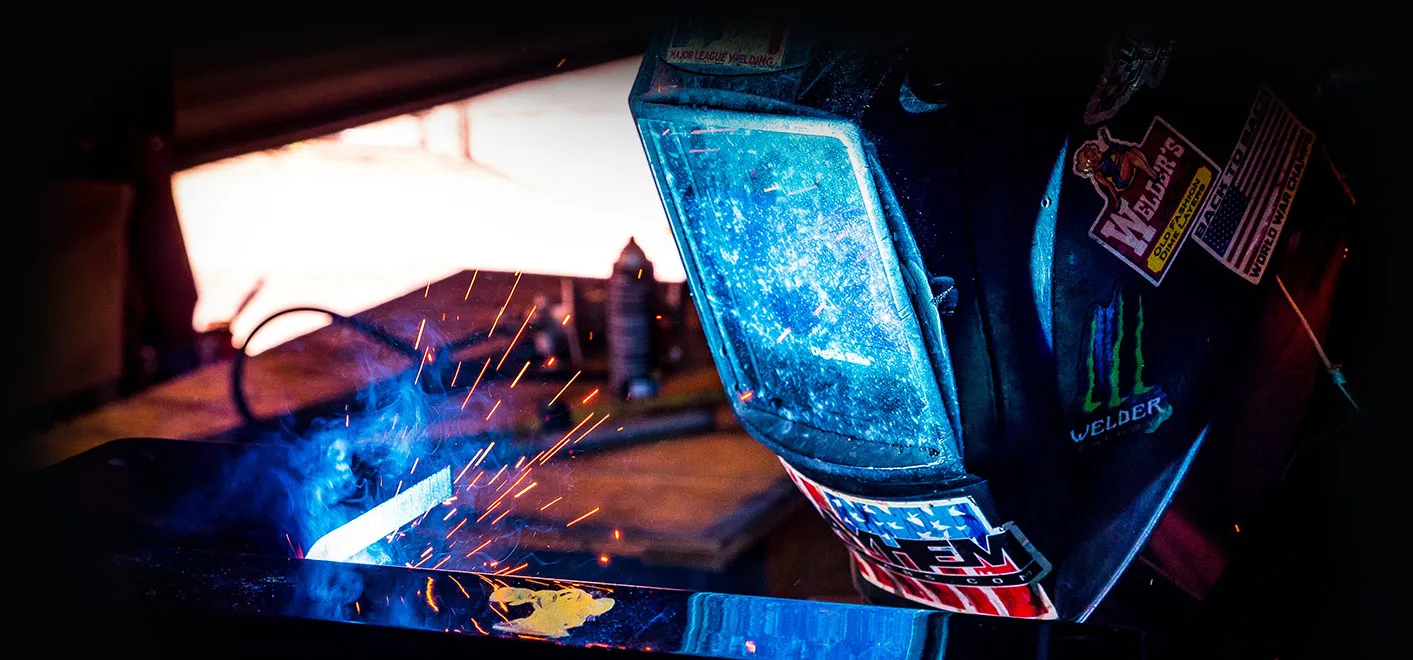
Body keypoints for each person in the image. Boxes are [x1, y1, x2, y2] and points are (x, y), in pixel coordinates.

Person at [1072, 126, 1157, 205]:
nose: (1095, 155)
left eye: (1094, 152)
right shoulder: (1098, 174)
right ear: (1088, 163)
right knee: (1128, 155)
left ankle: (1150, 171)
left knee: (1133, 150)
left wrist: (1110, 144)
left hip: (1121, 169)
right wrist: (1117, 200)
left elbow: (1116, 160)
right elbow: (1110, 186)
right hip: (1121, 180)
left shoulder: (1103, 158)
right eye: (1092, 157)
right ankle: (1151, 174)